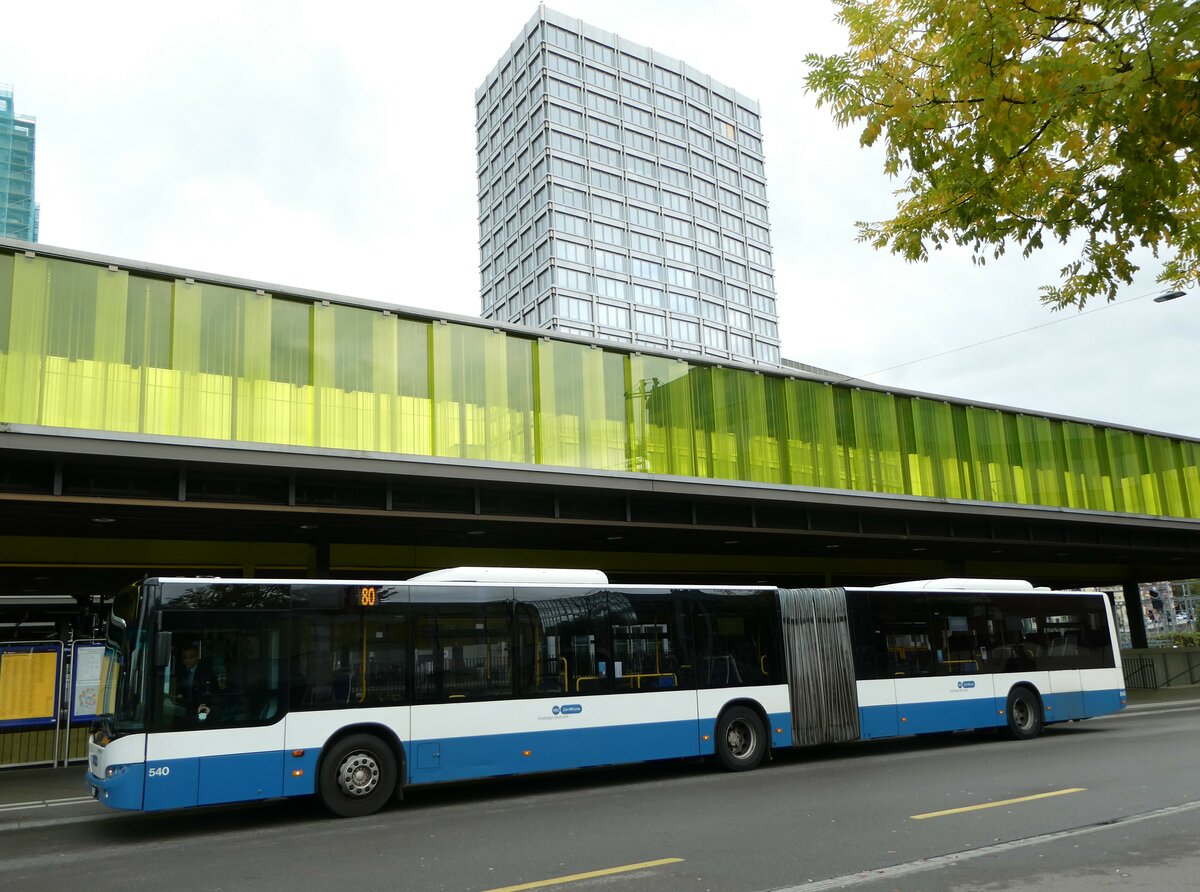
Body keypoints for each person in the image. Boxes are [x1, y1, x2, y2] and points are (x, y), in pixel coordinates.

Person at [175, 645, 219, 719]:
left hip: (203, 710)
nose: (188, 660)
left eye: (191, 657)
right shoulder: (181, 671)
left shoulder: (206, 671)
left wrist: (203, 705)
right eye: (185, 657)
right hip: (185, 709)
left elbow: (211, 692)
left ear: (197, 657)